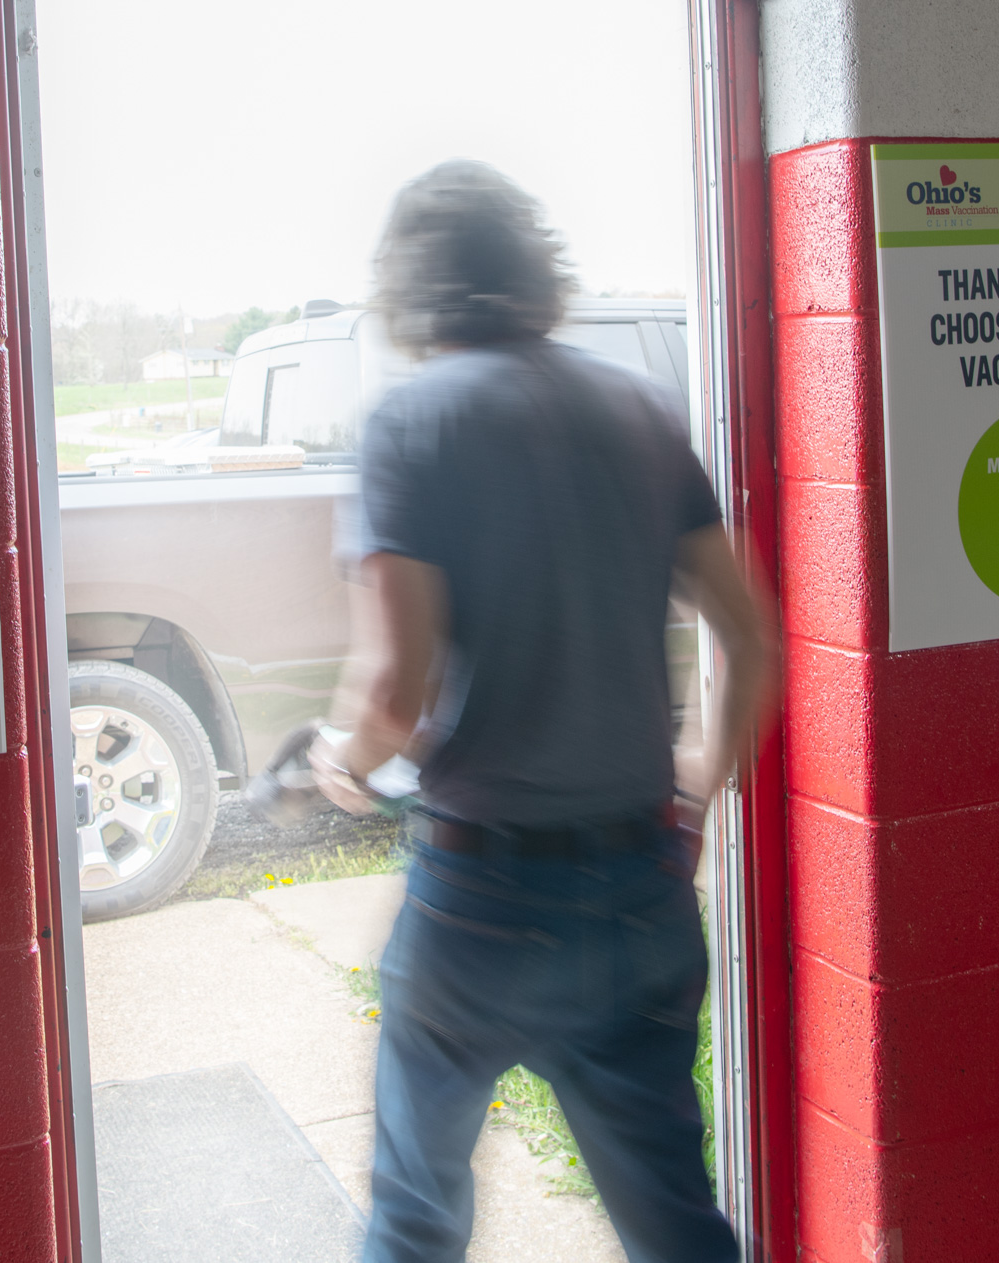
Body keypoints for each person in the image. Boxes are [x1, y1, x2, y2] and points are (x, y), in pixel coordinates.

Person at [310, 160, 776, 1263]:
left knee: (416, 1218)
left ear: (412, 286)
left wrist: (340, 760)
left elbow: (394, 687)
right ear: (531, 270)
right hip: (636, 889)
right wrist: (697, 789)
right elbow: (751, 638)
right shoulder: (641, 414)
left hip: (477, 901)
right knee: (674, 1222)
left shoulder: (410, 425)